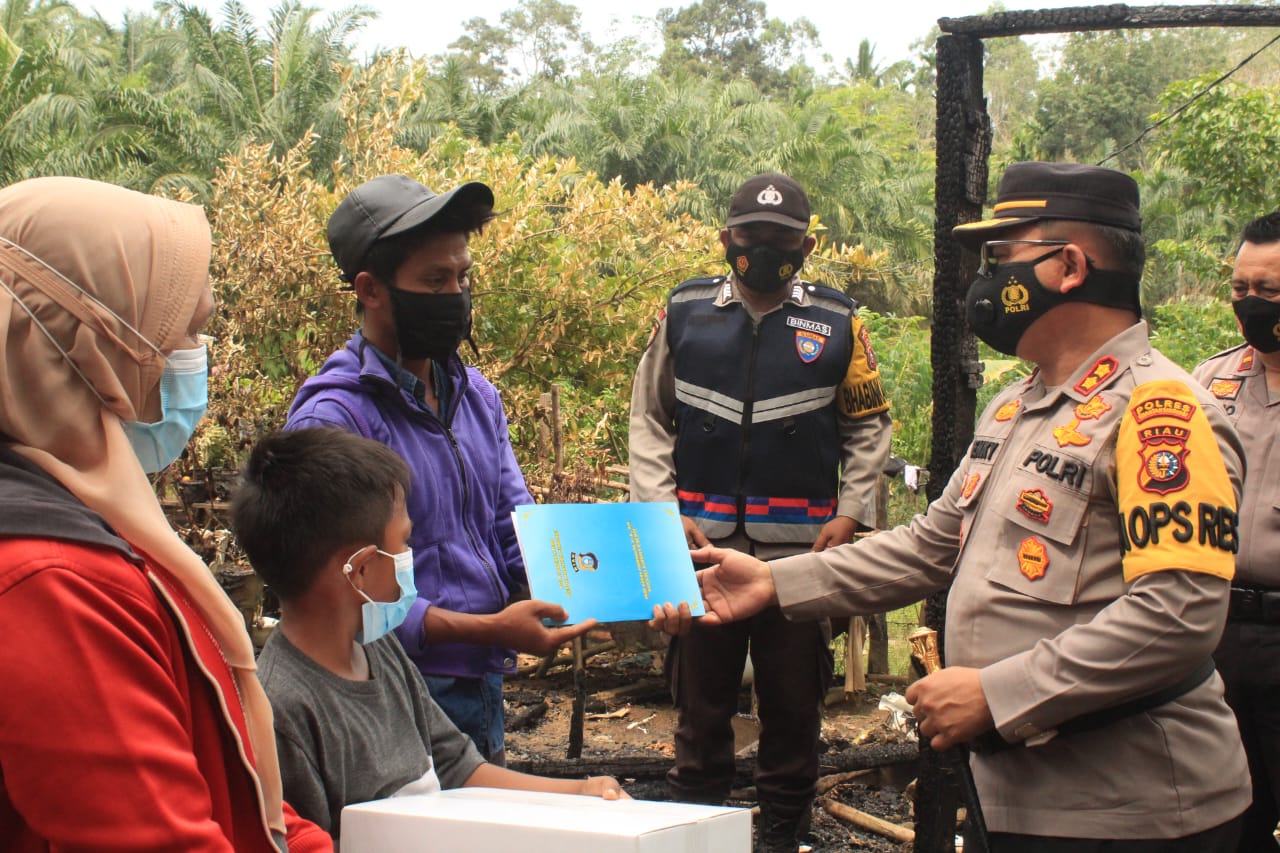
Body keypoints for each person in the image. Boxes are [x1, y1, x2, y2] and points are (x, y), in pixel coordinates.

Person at [657, 162, 1253, 852]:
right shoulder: (1017, 407)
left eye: (1001, 257)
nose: (986, 279)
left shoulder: (1161, 411)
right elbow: (931, 543)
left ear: (1068, 266)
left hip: (1134, 810)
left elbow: (1181, 612)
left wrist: (1002, 691)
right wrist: (773, 580)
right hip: (1023, 797)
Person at [0, 177, 330, 851]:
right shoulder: (53, 582)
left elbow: (226, 782)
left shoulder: (84, 521)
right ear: (91, 348)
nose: (196, 359)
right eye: (188, 329)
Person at [286, 175, 593, 764]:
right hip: (393, 692)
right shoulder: (335, 420)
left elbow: (512, 526)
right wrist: (489, 630)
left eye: (463, 278)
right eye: (434, 280)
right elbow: (347, 600)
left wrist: (631, 574)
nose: (456, 295)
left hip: (481, 683)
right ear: (371, 290)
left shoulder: (474, 395)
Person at [629, 172, 892, 851]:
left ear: (806, 245)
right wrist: (660, 508)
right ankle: (696, 826)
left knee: (793, 703)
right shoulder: (685, 312)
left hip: (799, 558)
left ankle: (783, 829)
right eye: (752, 237)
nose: (766, 250)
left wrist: (855, 510)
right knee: (699, 701)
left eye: (781, 240)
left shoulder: (839, 322)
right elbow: (650, 418)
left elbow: (869, 428)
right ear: (727, 239)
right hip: (702, 547)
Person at [231, 426, 627, 839]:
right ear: (361, 570)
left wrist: (581, 792)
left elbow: (456, 766)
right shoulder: (284, 712)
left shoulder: (377, 649)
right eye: (404, 542)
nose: (410, 556)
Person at [1192, 210, 1280, 853]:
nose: (1250, 305)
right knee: (1228, 814)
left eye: (1268, 292)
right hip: (1215, 629)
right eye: (1241, 290)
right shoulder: (1209, 381)